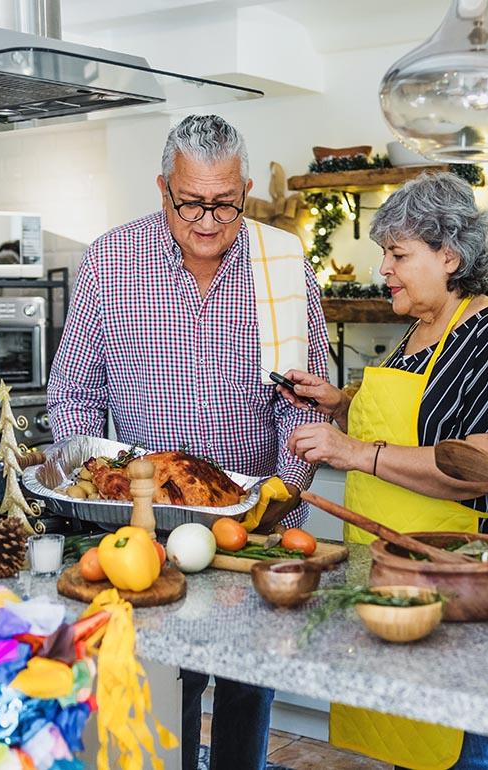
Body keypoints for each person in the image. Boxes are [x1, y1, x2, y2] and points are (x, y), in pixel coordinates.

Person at [47, 114, 330, 770]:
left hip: (252, 530)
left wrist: (279, 495)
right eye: (190, 202)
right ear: (161, 188)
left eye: (225, 204)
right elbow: (74, 396)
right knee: (158, 700)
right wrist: (107, 487)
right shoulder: (111, 260)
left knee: (243, 699)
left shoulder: (282, 262)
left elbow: (305, 405)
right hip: (142, 532)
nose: (207, 219)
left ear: (247, 190)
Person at [283, 172, 488, 770]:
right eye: (385, 255)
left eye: (398, 254)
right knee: (408, 739)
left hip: (456, 573)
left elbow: (487, 465)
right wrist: (339, 401)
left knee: (464, 740)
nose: (384, 270)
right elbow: (416, 422)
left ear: (449, 256)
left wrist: (351, 452)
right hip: (391, 567)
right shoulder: (416, 330)